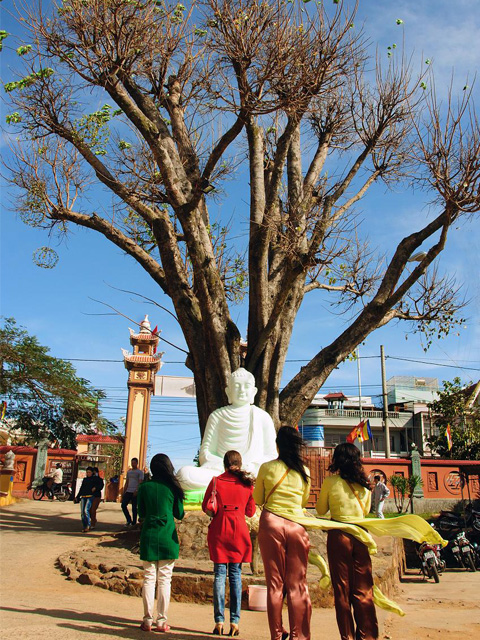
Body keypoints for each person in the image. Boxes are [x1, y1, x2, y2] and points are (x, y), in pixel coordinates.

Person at [177, 368, 277, 493]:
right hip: (220, 471)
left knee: (272, 476)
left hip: (251, 471)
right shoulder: (217, 415)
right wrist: (227, 468)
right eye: (236, 386)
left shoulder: (262, 416)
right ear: (228, 392)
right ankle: (235, 482)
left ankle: (231, 483)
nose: (242, 390)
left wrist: (250, 466)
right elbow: (205, 453)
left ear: (254, 391)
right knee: (184, 475)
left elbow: (271, 455)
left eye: (246, 386)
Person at [253, 426, 312, 640]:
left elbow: (258, 499)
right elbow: (303, 501)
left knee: (275, 585)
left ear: (277, 444)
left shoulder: (267, 468)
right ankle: (300, 635)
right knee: (298, 584)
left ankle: (277, 635)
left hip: (271, 524)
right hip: (297, 525)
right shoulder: (305, 471)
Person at [316, 443, 378, 640]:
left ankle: (347, 637)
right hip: (360, 535)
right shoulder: (365, 485)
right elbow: (366, 511)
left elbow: (320, 510)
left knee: (342, 592)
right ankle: (367, 635)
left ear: (337, 460)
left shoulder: (330, 482)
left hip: (339, 536)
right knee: (364, 590)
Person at [202, 450, 256, 637]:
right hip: (238, 531)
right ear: (240, 464)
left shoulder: (216, 481)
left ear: (224, 464)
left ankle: (219, 620)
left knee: (219, 575)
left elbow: (205, 506)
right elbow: (250, 512)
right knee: (235, 575)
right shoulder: (247, 485)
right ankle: (235, 621)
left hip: (219, 529)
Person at [137, 453, 185, 633]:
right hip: (167, 537)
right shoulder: (173, 488)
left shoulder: (144, 487)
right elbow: (179, 513)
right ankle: (162, 621)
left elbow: (141, 513)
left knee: (149, 579)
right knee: (165, 579)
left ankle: (147, 620)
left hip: (149, 535)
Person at [75, 467, 100, 532]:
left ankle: (88, 525)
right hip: (83, 496)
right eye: (87, 472)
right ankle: (85, 525)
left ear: (92, 473)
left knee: (86, 510)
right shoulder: (85, 479)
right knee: (82, 512)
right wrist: (77, 496)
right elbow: (81, 488)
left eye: (89, 472)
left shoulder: (95, 479)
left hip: (90, 496)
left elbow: (100, 484)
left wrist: (95, 488)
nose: (88, 474)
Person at [122, 457, 144, 526]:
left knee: (134, 507)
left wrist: (137, 490)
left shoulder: (140, 472)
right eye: (132, 463)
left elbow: (140, 482)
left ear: (137, 463)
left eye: (134, 463)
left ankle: (134, 522)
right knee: (123, 505)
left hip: (135, 491)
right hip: (128, 490)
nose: (133, 464)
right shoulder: (129, 472)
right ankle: (129, 519)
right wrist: (124, 491)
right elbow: (127, 482)